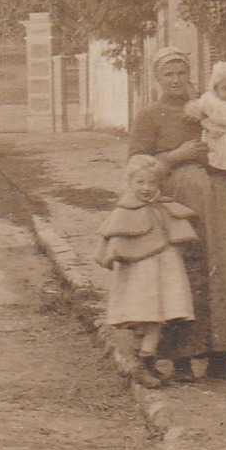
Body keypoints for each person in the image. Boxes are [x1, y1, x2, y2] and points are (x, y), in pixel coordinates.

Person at [129, 47, 226, 381]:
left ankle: (221, 357)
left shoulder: (214, 104)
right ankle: (181, 360)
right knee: (186, 274)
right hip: (178, 208)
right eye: (169, 74)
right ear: (157, 79)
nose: (177, 80)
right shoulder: (149, 115)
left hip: (224, 202)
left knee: (225, 272)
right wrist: (174, 157)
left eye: (182, 73)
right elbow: (136, 164)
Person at [95, 156, 197, 388]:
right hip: (140, 275)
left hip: (165, 272)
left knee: (159, 317)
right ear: (129, 183)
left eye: (152, 183)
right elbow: (111, 243)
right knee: (145, 317)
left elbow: (179, 234)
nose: (146, 188)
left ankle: (146, 363)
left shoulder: (164, 207)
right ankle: (141, 364)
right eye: (140, 182)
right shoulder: (125, 211)